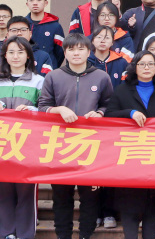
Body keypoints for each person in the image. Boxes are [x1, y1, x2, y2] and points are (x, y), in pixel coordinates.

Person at [38, 32, 114, 239]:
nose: (76, 53)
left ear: (89, 51)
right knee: (62, 197)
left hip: (91, 145)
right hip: (60, 145)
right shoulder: (53, 76)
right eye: (71, 49)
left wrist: (99, 113)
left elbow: (110, 105)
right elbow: (43, 106)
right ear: (65, 52)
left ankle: (84, 235)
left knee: (90, 197)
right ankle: (63, 235)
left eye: (81, 48)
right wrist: (60, 109)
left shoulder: (101, 76)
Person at [0, 36, 45, 239]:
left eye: (20, 52)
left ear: (28, 55)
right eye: (11, 52)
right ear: (4, 56)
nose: (16, 56)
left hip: (27, 145)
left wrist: (32, 109)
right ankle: (7, 233)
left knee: (26, 191)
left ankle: (26, 234)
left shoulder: (38, 81)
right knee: (1, 192)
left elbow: (46, 110)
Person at [106, 51, 155, 239]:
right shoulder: (122, 90)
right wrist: (129, 112)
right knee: (129, 206)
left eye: (151, 64)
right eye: (142, 64)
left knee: (152, 207)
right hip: (130, 155)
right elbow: (109, 115)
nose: (147, 68)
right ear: (134, 67)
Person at [0, 17, 56, 89]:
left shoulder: (43, 57)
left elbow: (47, 86)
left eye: (23, 30)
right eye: (14, 30)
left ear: (30, 33)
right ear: (7, 34)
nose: (19, 33)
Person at [25, 0, 66, 66]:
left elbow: (60, 52)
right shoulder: (22, 25)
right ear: (27, 4)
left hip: (48, 67)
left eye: (39, 0)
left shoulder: (55, 26)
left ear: (46, 3)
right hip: (26, 68)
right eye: (31, 0)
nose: (35, 3)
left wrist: (53, 64)